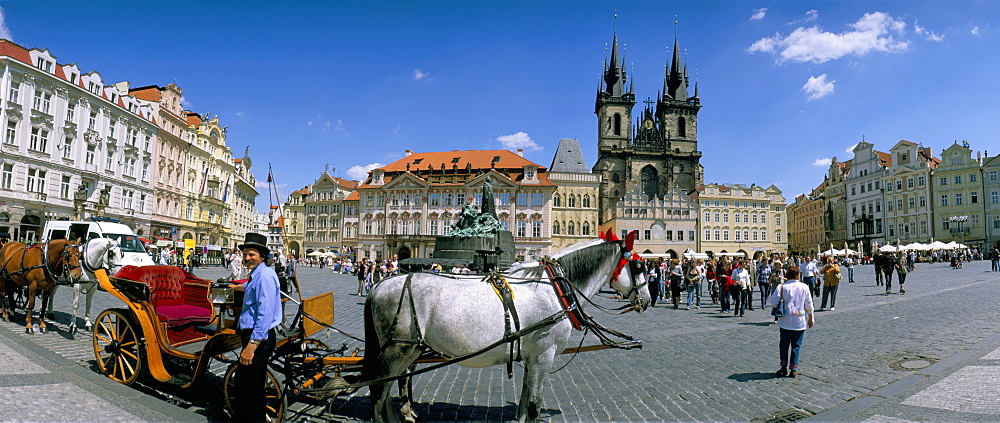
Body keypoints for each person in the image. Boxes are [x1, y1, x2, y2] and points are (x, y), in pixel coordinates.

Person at [230, 233, 282, 422]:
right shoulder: (259, 274)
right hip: (257, 336)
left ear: (261, 255)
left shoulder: (264, 277)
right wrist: (237, 287)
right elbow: (253, 287)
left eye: (251, 254)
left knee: (252, 388)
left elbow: (264, 314)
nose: (247, 258)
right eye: (244, 254)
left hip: (258, 337)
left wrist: (251, 347)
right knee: (247, 383)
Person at [770, 266, 815, 378]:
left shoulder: (782, 287)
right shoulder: (804, 287)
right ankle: (793, 369)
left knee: (784, 344)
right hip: (799, 321)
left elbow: (773, 301)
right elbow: (809, 303)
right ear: (797, 275)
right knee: (796, 346)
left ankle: (783, 367)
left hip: (785, 320)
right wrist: (811, 317)